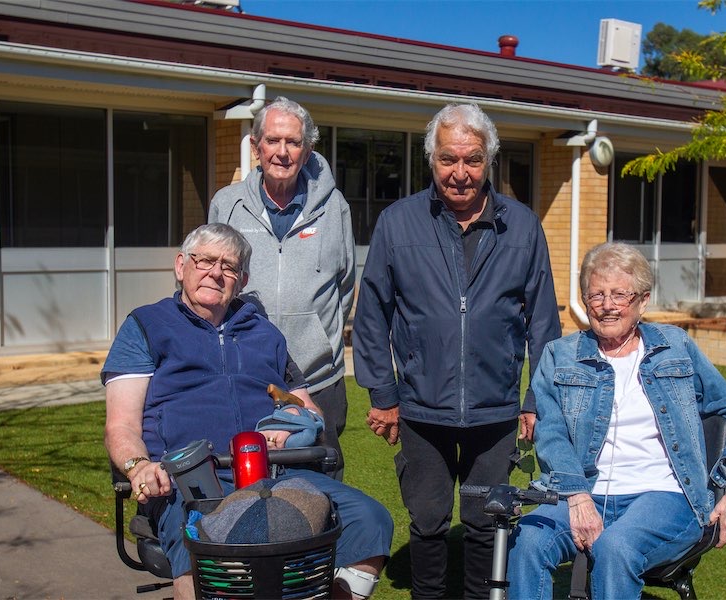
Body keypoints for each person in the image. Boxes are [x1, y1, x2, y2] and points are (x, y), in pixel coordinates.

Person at [103, 223, 391, 600]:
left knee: (370, 520)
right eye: (204, 260)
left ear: (242, 279)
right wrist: (139, 466)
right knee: (199, 554)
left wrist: (296, 422)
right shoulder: (146, 326)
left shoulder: (265, 333)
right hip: (190, 482)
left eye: (229, 266)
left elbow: (306, 407)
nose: (215, 272)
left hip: (277, 473)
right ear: (181, 266)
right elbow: (120, 425)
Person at [353, 103, 561, 598]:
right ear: (432, 160)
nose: (460, 173)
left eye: (472, 160)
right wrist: (384, 393)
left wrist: (537, 398)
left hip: (496, 410)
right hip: (423, 406)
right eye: (449, 159)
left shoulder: (524, 227)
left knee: (485, 521)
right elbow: (372, 314)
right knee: (426, 520)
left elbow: (544, 323)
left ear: (488, 160)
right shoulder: (398, 223)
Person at [506, 242, 726, 599]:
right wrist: (578, 498)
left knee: (616, 547)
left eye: (619, 294)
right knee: (529, 538)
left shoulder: (676, 346)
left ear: (642, 300)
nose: (607, 305)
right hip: (584, 491)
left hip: (664, 495)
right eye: (596, 295)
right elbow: (551, 432)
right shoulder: (559, 356)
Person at [209, 96, 355, 481]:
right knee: (244, 487)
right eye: (272, 141)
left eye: (293, 142)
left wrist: (318, 336)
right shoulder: (227, 204)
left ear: (307, 151)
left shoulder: (335, 208)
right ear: (257, 147)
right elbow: (210, 283)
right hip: (245, 376)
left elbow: (345, 285)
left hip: (319, 379)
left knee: (321, 490)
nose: (282, 152)